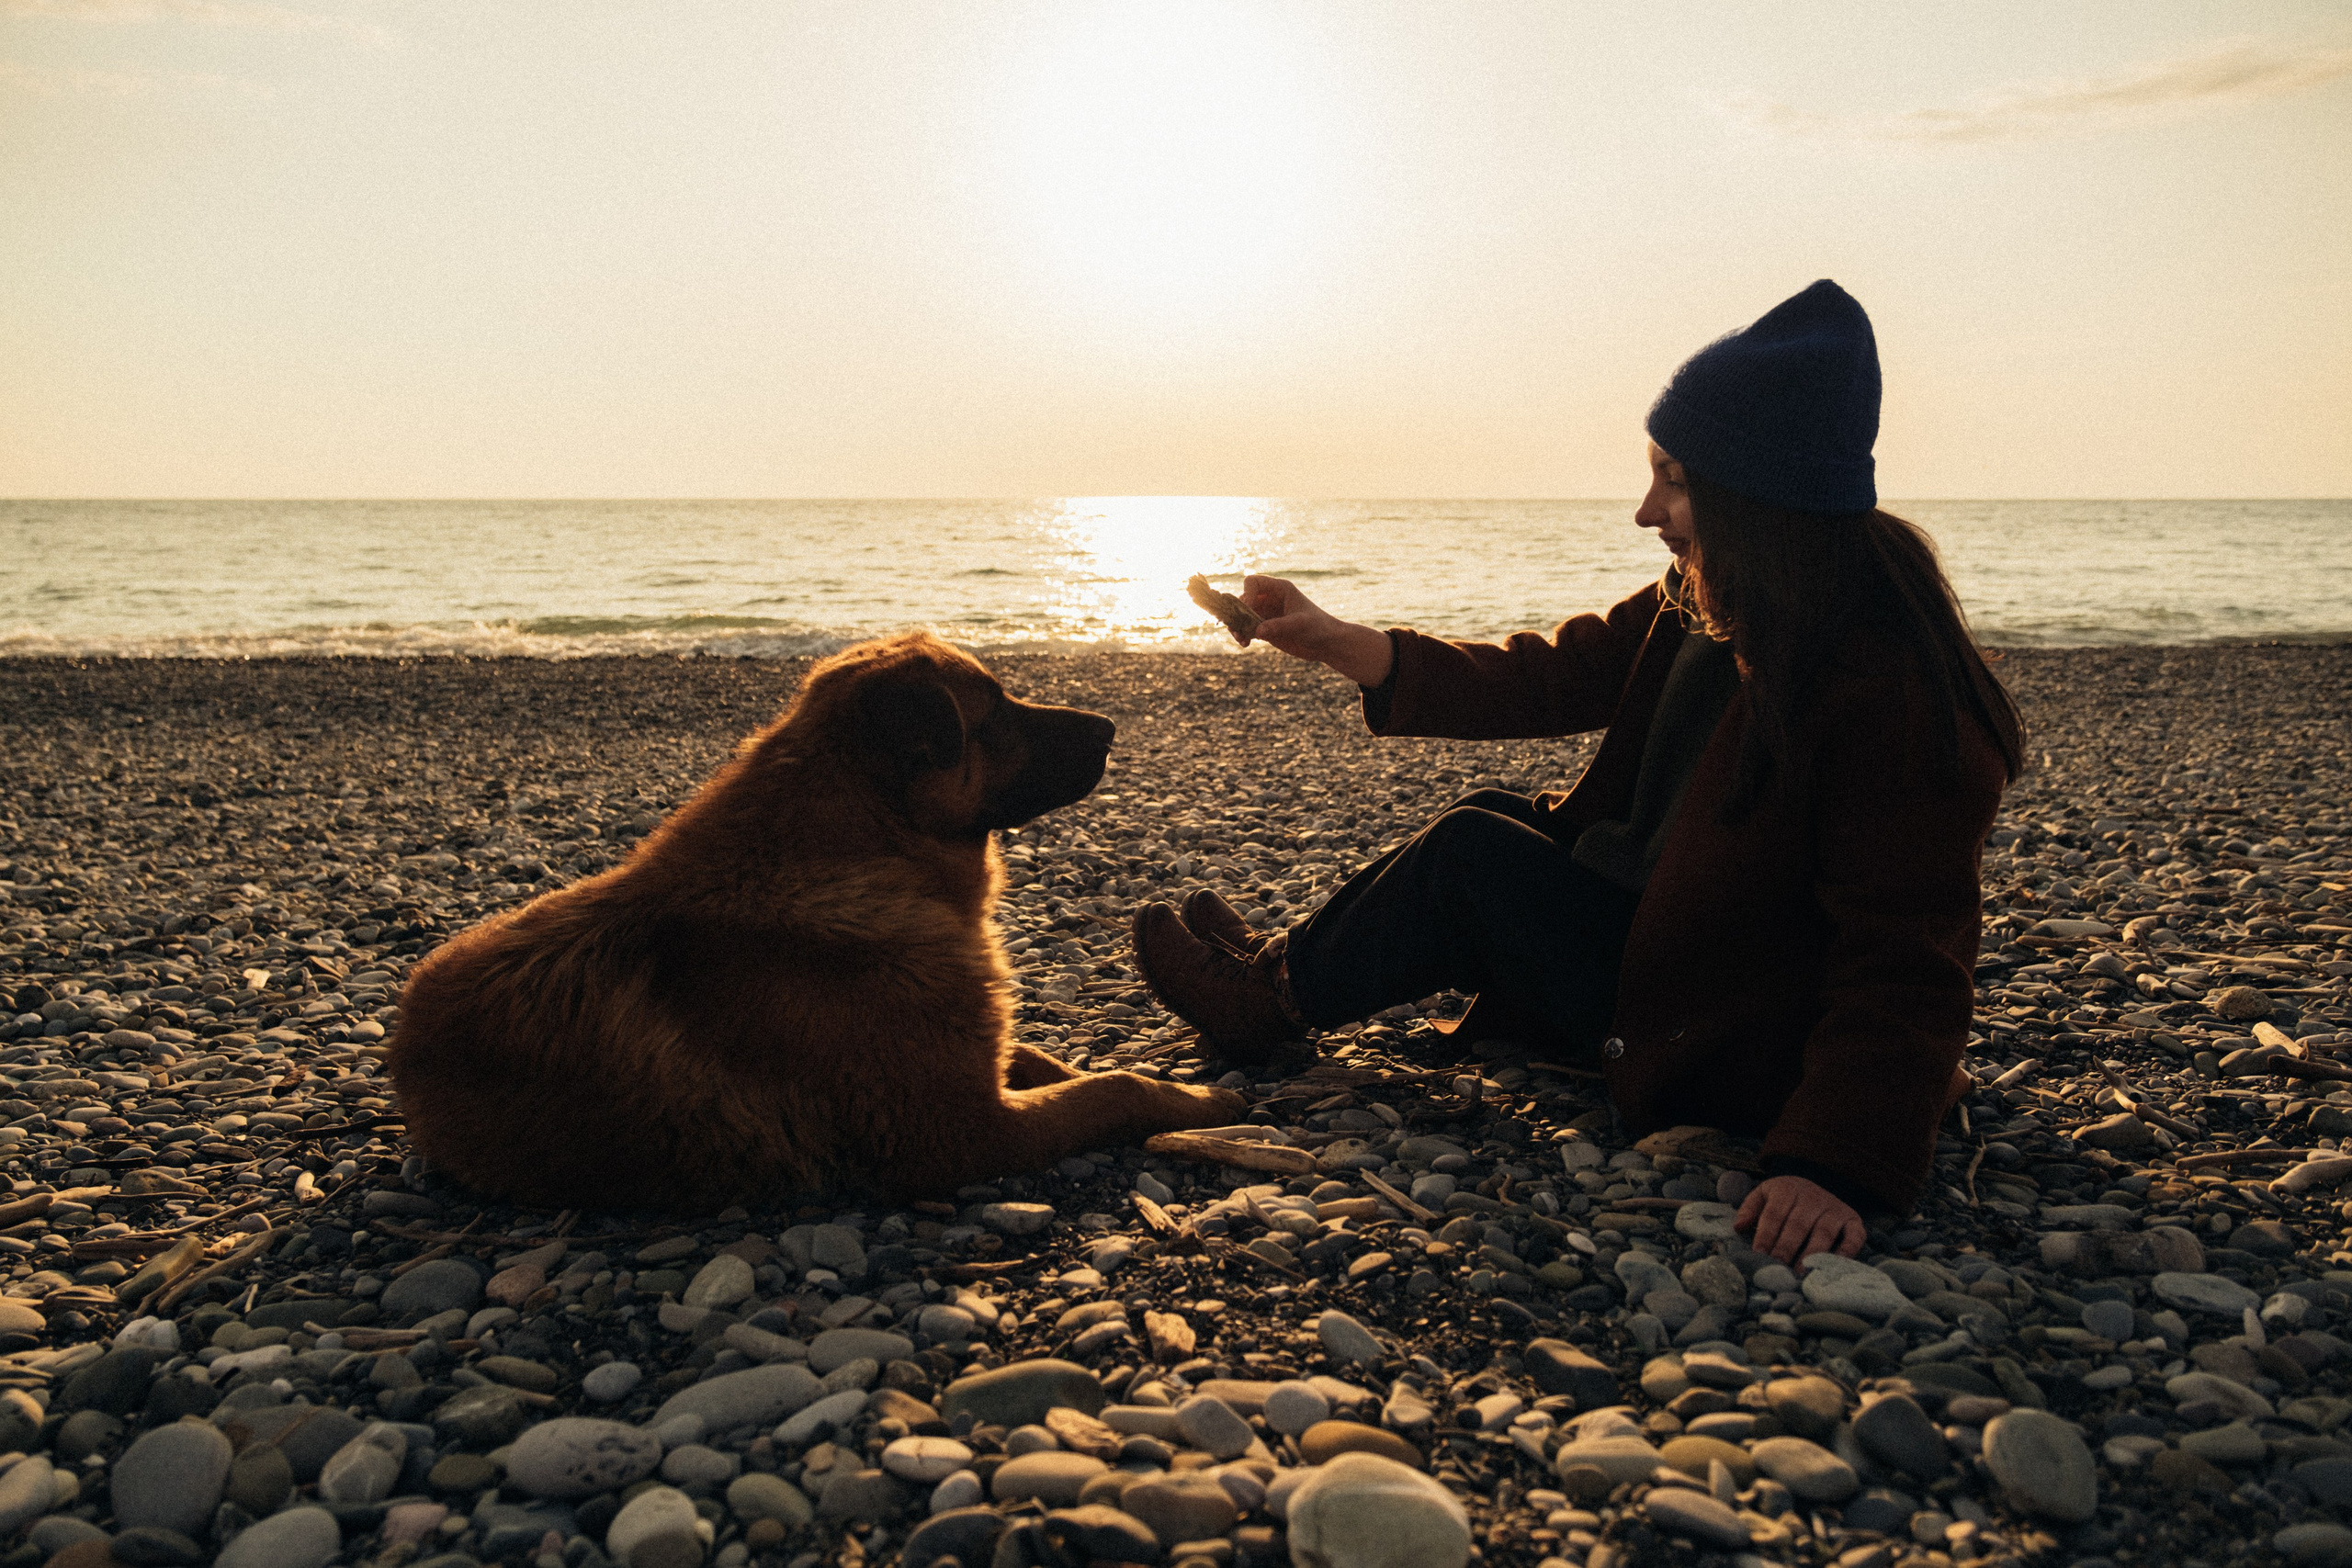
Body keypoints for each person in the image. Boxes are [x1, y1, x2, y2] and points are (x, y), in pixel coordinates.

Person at [1133, 280, 2024, 1266]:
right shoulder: (1709, 596)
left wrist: (1838, 1158)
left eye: (1674, 481)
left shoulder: (1886, 680)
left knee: (1476, 855)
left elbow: (1909, 947)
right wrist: (1346, 644)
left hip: (1717, 1030)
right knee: (1495, 817)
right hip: (1661, 944)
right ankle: (1292, 964)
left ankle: (1269, 1001)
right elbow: (1549, 676)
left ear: (1758, 495)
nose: (1647, 511)